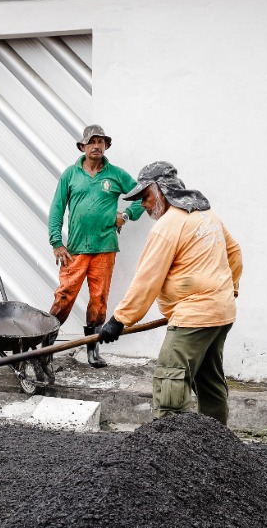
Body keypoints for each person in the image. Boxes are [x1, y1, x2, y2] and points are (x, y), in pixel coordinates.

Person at [97, 161, 243, 424]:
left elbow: (147, 278)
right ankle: (218, 442)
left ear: (161, 190)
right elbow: (234, 251)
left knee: (170, 382)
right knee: (209, 382)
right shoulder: (206, 214)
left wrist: (119, 320)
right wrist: (228, 290)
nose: (143, 204)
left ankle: (170, 445)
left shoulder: (168, 225)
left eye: (146, 196)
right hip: (220, 314)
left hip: (193, 318)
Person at [47, 124, 144, 367]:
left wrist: (126, 215)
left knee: (99, 299)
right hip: (75, 250)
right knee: (64, 297)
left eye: (101, 142)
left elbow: (143, 196)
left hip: (105, 248)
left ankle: (93, 349)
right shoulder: (70, 174)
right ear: (82, 146)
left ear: (106, 146)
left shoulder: (116, 174)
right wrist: (57, 242)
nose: (96, 146)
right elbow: (57, 208)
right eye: (92, 141)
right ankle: (45, 349)